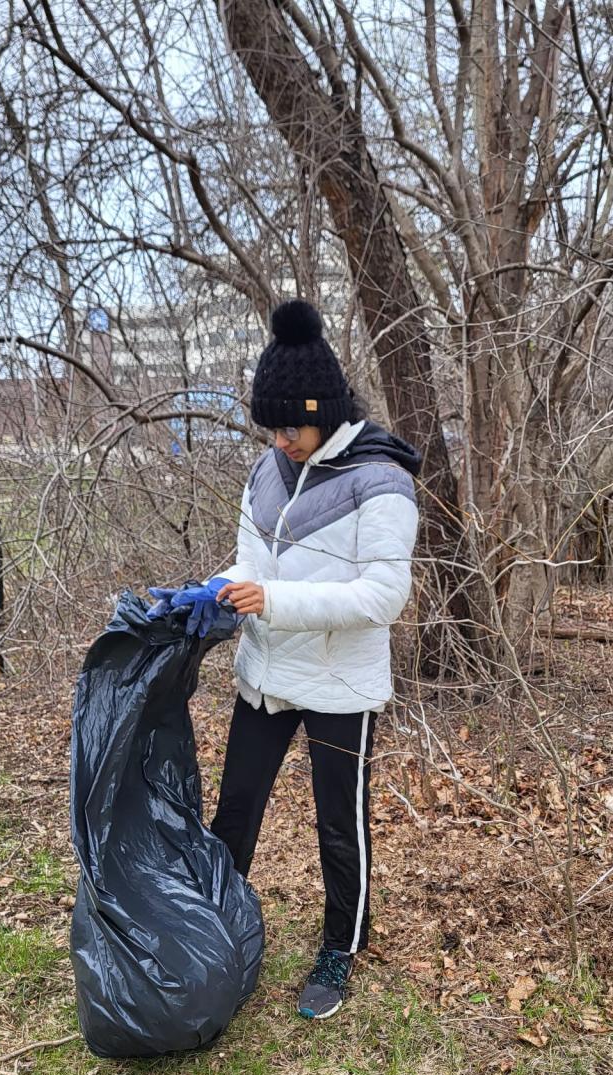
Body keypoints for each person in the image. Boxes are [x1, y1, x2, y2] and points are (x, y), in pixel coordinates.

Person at [150, 299, 421, 1019]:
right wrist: (211, 591)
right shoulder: (266, 471)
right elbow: (251, 564)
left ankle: (341, 947)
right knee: (236, 810)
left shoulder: (381, 479)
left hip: (340, 685)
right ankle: (212, 927)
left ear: (323, 413)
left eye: (292, 427)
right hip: (266, 675)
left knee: (339, 826)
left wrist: (270, 600)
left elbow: (383, 596)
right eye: (271, 428)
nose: (282, 441)